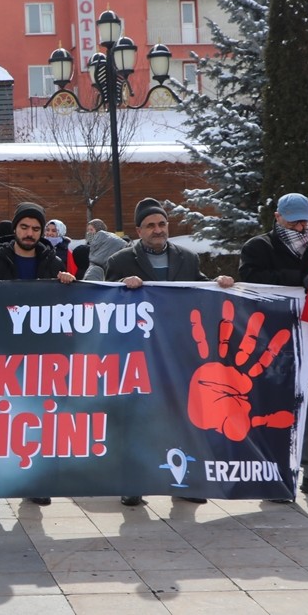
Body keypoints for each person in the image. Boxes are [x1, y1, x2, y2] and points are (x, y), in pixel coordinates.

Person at [106, 198, 234, 507]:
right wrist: (123, 285)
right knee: (138, 417)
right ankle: (134, 481)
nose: (157, 230)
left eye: (162, 224)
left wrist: (219, 284)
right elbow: (103, 300)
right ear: (139, 230)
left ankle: (185, 481)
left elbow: (199, 290)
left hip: (179, 351)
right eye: (150, 225)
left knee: (182, 416)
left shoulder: (187, 258)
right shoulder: (121, 260)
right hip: (138, 353)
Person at [0, 202, 77, 508]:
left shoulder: (53, 262)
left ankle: (34, 481)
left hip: (40, 354)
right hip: (0, 353)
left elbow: (67, 306)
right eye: (25, 227)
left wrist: (68, 285)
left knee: (36, 417)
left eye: (36, 228)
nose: (30, 233)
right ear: (15, 229)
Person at [238, 192, 308, 501]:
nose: (300, 227)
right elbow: (251, 278)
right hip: (272, 344)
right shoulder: (259, 247)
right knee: (273, 408)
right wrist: (298, 279)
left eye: (304, 220)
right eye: (293, 220)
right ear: (277, 217)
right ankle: (275, 473)